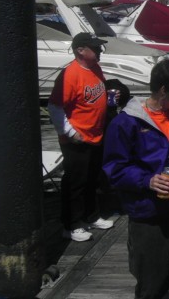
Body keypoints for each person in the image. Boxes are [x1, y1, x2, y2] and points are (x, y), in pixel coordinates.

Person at [102, 60, 169, 298]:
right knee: (152, 279)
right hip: (147, 212)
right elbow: (114, 168)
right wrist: (147, 180)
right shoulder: (126, 122)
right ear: (163, 91)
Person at [48, 32, 115, 242]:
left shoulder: (95, 67)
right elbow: (54, 106)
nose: (99, 51)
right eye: (94, 48)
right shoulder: (70, 73)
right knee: (75, 183)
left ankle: (91, 216)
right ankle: (71, 225)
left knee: (92, 179)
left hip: (95, 135)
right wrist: (70, 132)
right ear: (80, 50)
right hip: (76, 138)